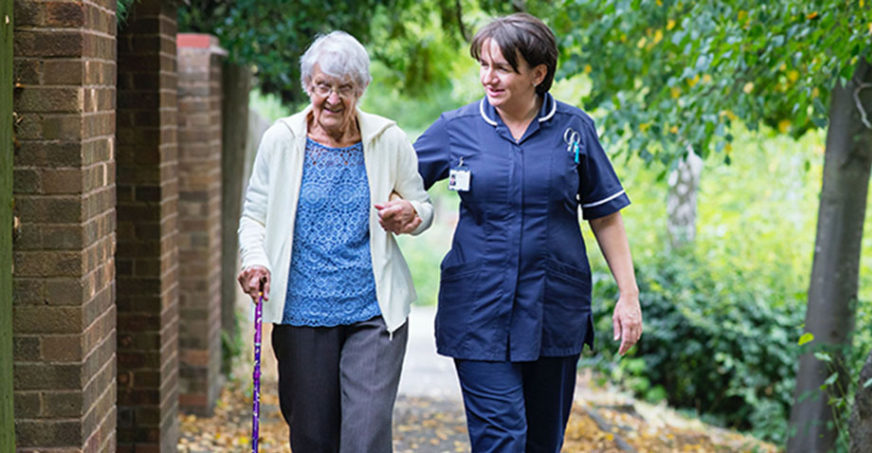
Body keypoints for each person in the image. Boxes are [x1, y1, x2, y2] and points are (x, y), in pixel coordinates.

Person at [413, 13, 642, 452]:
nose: (488, 78)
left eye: (502, 68)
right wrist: (408, 210)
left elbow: (605, 214)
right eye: (484, 65)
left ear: (538, 74)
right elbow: (400, 180)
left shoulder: (575, 130)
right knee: (502, 439)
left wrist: (628, 296)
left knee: (542, 442)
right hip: (478, 312)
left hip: (554, 311)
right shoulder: (457, 128)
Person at [236, 31, 432, 452]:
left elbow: (421, 204)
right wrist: (255, 260)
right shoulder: (281, 139)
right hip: (302, 311)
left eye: (345, 88)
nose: (333, 98)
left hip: (373, 311)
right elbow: (255, 215)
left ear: (360, 90)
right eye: (324, 86)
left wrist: (412, 215)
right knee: (312, 438)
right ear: (309, 85)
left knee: (365, 437)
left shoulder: (388, 139)